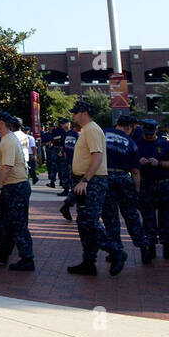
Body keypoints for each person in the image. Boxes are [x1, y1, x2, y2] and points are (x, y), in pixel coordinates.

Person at [68, 99, 126, 276]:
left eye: (76, 113)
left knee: (90, 222)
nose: (73, 116)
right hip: (87, 182)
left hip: (91, 183)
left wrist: (85, 180)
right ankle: (89, 261)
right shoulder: (87, 131)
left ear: (84, 113)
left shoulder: (92, 130)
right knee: (84, 223)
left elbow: (97, 158)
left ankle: (115, 251)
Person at [0, 112, 34, 270]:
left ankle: (27, 258)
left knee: (18, 223)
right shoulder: (8, 139)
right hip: (15, 186)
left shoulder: (7, 141)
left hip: (15, 186)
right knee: (7, 223)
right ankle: (3, 252)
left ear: (1, 123)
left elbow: (7, 166)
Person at [103, 115, 151, 263]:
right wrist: (136, 191)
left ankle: (116, 250)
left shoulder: (103, 134)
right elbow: (136, 171)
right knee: (131, 215)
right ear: (130, 128)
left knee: (110, 217)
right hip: (124, 178)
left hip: (105, 177)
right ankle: (143, 247)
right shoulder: (131, 143)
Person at [136, 118, 169, 259]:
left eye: (151, 133)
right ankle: (151, 245)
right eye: (146, 133)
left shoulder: (165, 144)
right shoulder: (138, 145)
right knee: (148, 217)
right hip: (146, 183)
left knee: (166, 216)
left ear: (156, 130)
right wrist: (139, 162)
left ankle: (167, 246)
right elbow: (131, 165)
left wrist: (159, 163)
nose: (148, 136)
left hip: (164, 184)